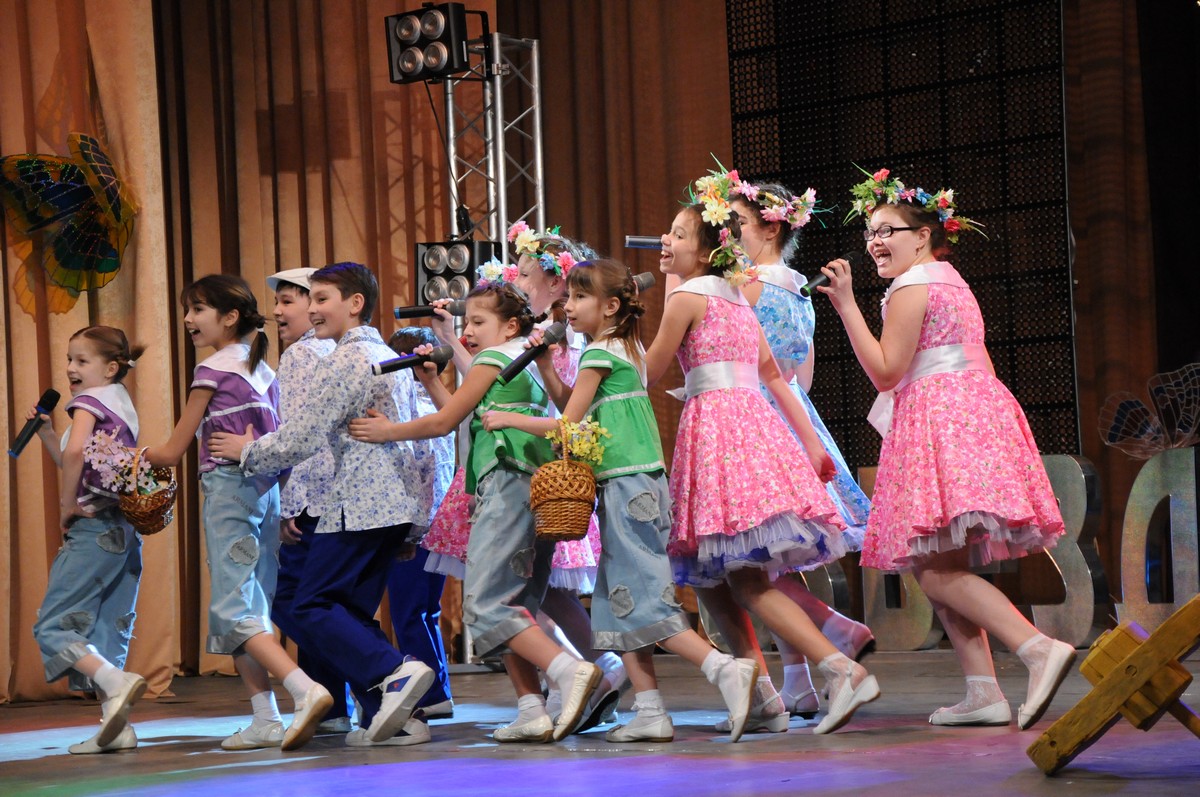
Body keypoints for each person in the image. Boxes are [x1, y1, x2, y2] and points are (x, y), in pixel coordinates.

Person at [818, 168, 1075, 728]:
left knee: (933, 570)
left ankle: (1036, 647)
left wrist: (846, 306)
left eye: (887, 230)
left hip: (942, 417)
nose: (875, 241)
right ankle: (983, 691)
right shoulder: (951, 280)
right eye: (870, 232)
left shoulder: (913, 285)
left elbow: (886, 371)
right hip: (971, 412)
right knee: (939, 561)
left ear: (922, 236)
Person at [482, 259, 761, 742]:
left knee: (645, 596)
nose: (569, 306)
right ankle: (650, 710)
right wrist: (546, 365)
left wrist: (510, 419)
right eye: (569, 296)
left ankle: (721, 668)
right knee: (619, 599)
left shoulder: (598, 352)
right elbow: (576, 404)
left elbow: (567, 425)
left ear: (610, 306)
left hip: (629, 486)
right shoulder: (623, 348)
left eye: (579, 297)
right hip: (632, 485)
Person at [642, 171, 880, 735]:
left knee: (745, 577)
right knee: (711, 573)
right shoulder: (736, 297)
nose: (666, 242)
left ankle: (838, 666)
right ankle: (765, 694)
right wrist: (812, 447)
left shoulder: (690, 297)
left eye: (679, 234)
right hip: (753, 431)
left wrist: (604, 345)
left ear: (707, 250)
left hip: (720, 437)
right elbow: (778, 377)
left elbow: (647, 372)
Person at [348, 278, 602, 744]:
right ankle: (530, 708)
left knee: (485, 604)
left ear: (510, 326)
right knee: (516, 605)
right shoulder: (524, 363)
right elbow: (466, 416)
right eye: (467, 323)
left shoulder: (492, 359)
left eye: (479, 322)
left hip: (505, 487)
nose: (467, 332)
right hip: (533, 491)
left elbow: (444, 422)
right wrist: (431, 379)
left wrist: (387, 432)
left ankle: (567, 669)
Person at [208, 262, 437, 748]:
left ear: (355, 303)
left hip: (360, 502)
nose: (312, 309)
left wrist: (247, 451)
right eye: (309, 299)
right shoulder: (382, 353)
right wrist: (416, 519)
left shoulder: (345, 360)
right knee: (349, 612)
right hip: (391, 505)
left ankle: (394, 671)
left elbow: (303, 436)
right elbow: (420, 441)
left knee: (308, 603)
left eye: (322, 298)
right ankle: (400, 717)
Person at [142, 275, 332, 751]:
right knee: (253, 608)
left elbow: (172, 450)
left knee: (234, 607)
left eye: (198, 309)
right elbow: (282, 452)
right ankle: (265, 718)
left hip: (230, 493)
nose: (188, 319)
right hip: (265, 495)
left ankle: (303, 688)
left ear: (229, 317)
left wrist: (126, 458)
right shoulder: (264, 373)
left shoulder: (212, 369)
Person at [729, 178, 875, 721]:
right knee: (769, 560)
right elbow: (802, 378)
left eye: (738, 225)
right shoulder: (797, 288)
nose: (729, 235)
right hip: (794, 416)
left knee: (753, 560)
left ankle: (835, 628)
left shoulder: (746, 285)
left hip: (754, 418)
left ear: (770, 229)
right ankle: (797, 682)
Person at [30, 326, 148, 754]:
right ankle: (118, 729)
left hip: (94, 529)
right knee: (107, 628)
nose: (70, 368)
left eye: (81, 360)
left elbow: (77, 455)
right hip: (125, 530)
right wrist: (47, 434)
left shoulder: (87, 402)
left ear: (111, 367)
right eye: (69, 359)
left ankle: (116, 681)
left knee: (52, 625)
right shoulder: (120, 402)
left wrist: (66, 507)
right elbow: (76, 462)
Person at [261, 267, 352, 733]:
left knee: (293, 601)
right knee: (322, 602)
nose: (278, 312)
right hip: (338, 497)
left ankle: (372, 672)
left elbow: (300, 437)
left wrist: (289, 504)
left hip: (311, 501)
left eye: (289, 302)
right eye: (277, 303)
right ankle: (333, 707)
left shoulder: (302, 354)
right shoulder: (333, 350)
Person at [384, 325, 457, 719]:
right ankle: (438, 689)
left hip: (417, 527)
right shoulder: (440, 407)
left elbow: (420, 474)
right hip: (441, 525)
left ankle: (429, 693)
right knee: (427, 610)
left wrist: (410, 532)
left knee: (409, 612)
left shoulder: (409, 412)